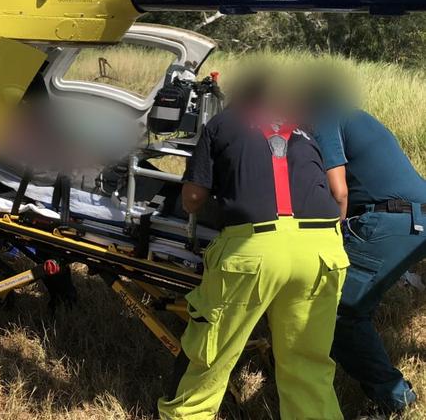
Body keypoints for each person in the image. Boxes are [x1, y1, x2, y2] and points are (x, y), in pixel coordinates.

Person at [158, 73, 349, 419]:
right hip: (323, 249)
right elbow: (334, 192)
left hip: (255, 250)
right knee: (307, 364)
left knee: (211, 355)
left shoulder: (221, 123)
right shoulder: (302, 127)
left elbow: (193, 198)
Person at [314, 108, 426, 413]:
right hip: (413, 218)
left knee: (337, 312)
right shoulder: (351, 115)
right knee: (354, 302)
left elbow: (338, 192)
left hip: (391, 221)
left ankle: (395, 399)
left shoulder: (323, 116)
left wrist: (328, 239)